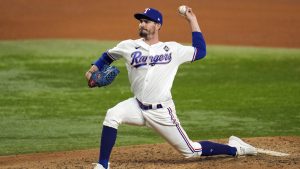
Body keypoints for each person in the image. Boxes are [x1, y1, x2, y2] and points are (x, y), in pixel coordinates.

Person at [85, 7, 257, 169]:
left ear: (158, 25)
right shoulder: (128, 46)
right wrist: (92, 71)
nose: (142, 24)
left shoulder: (173, 49)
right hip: (137, 106)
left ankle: (235, 148)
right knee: (112, 114)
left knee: (191, 152)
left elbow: (200, 51)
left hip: (162, 111)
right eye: (140, 21)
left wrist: (192, 20)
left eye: (146, 21)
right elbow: (107, 56)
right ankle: (103, 164)